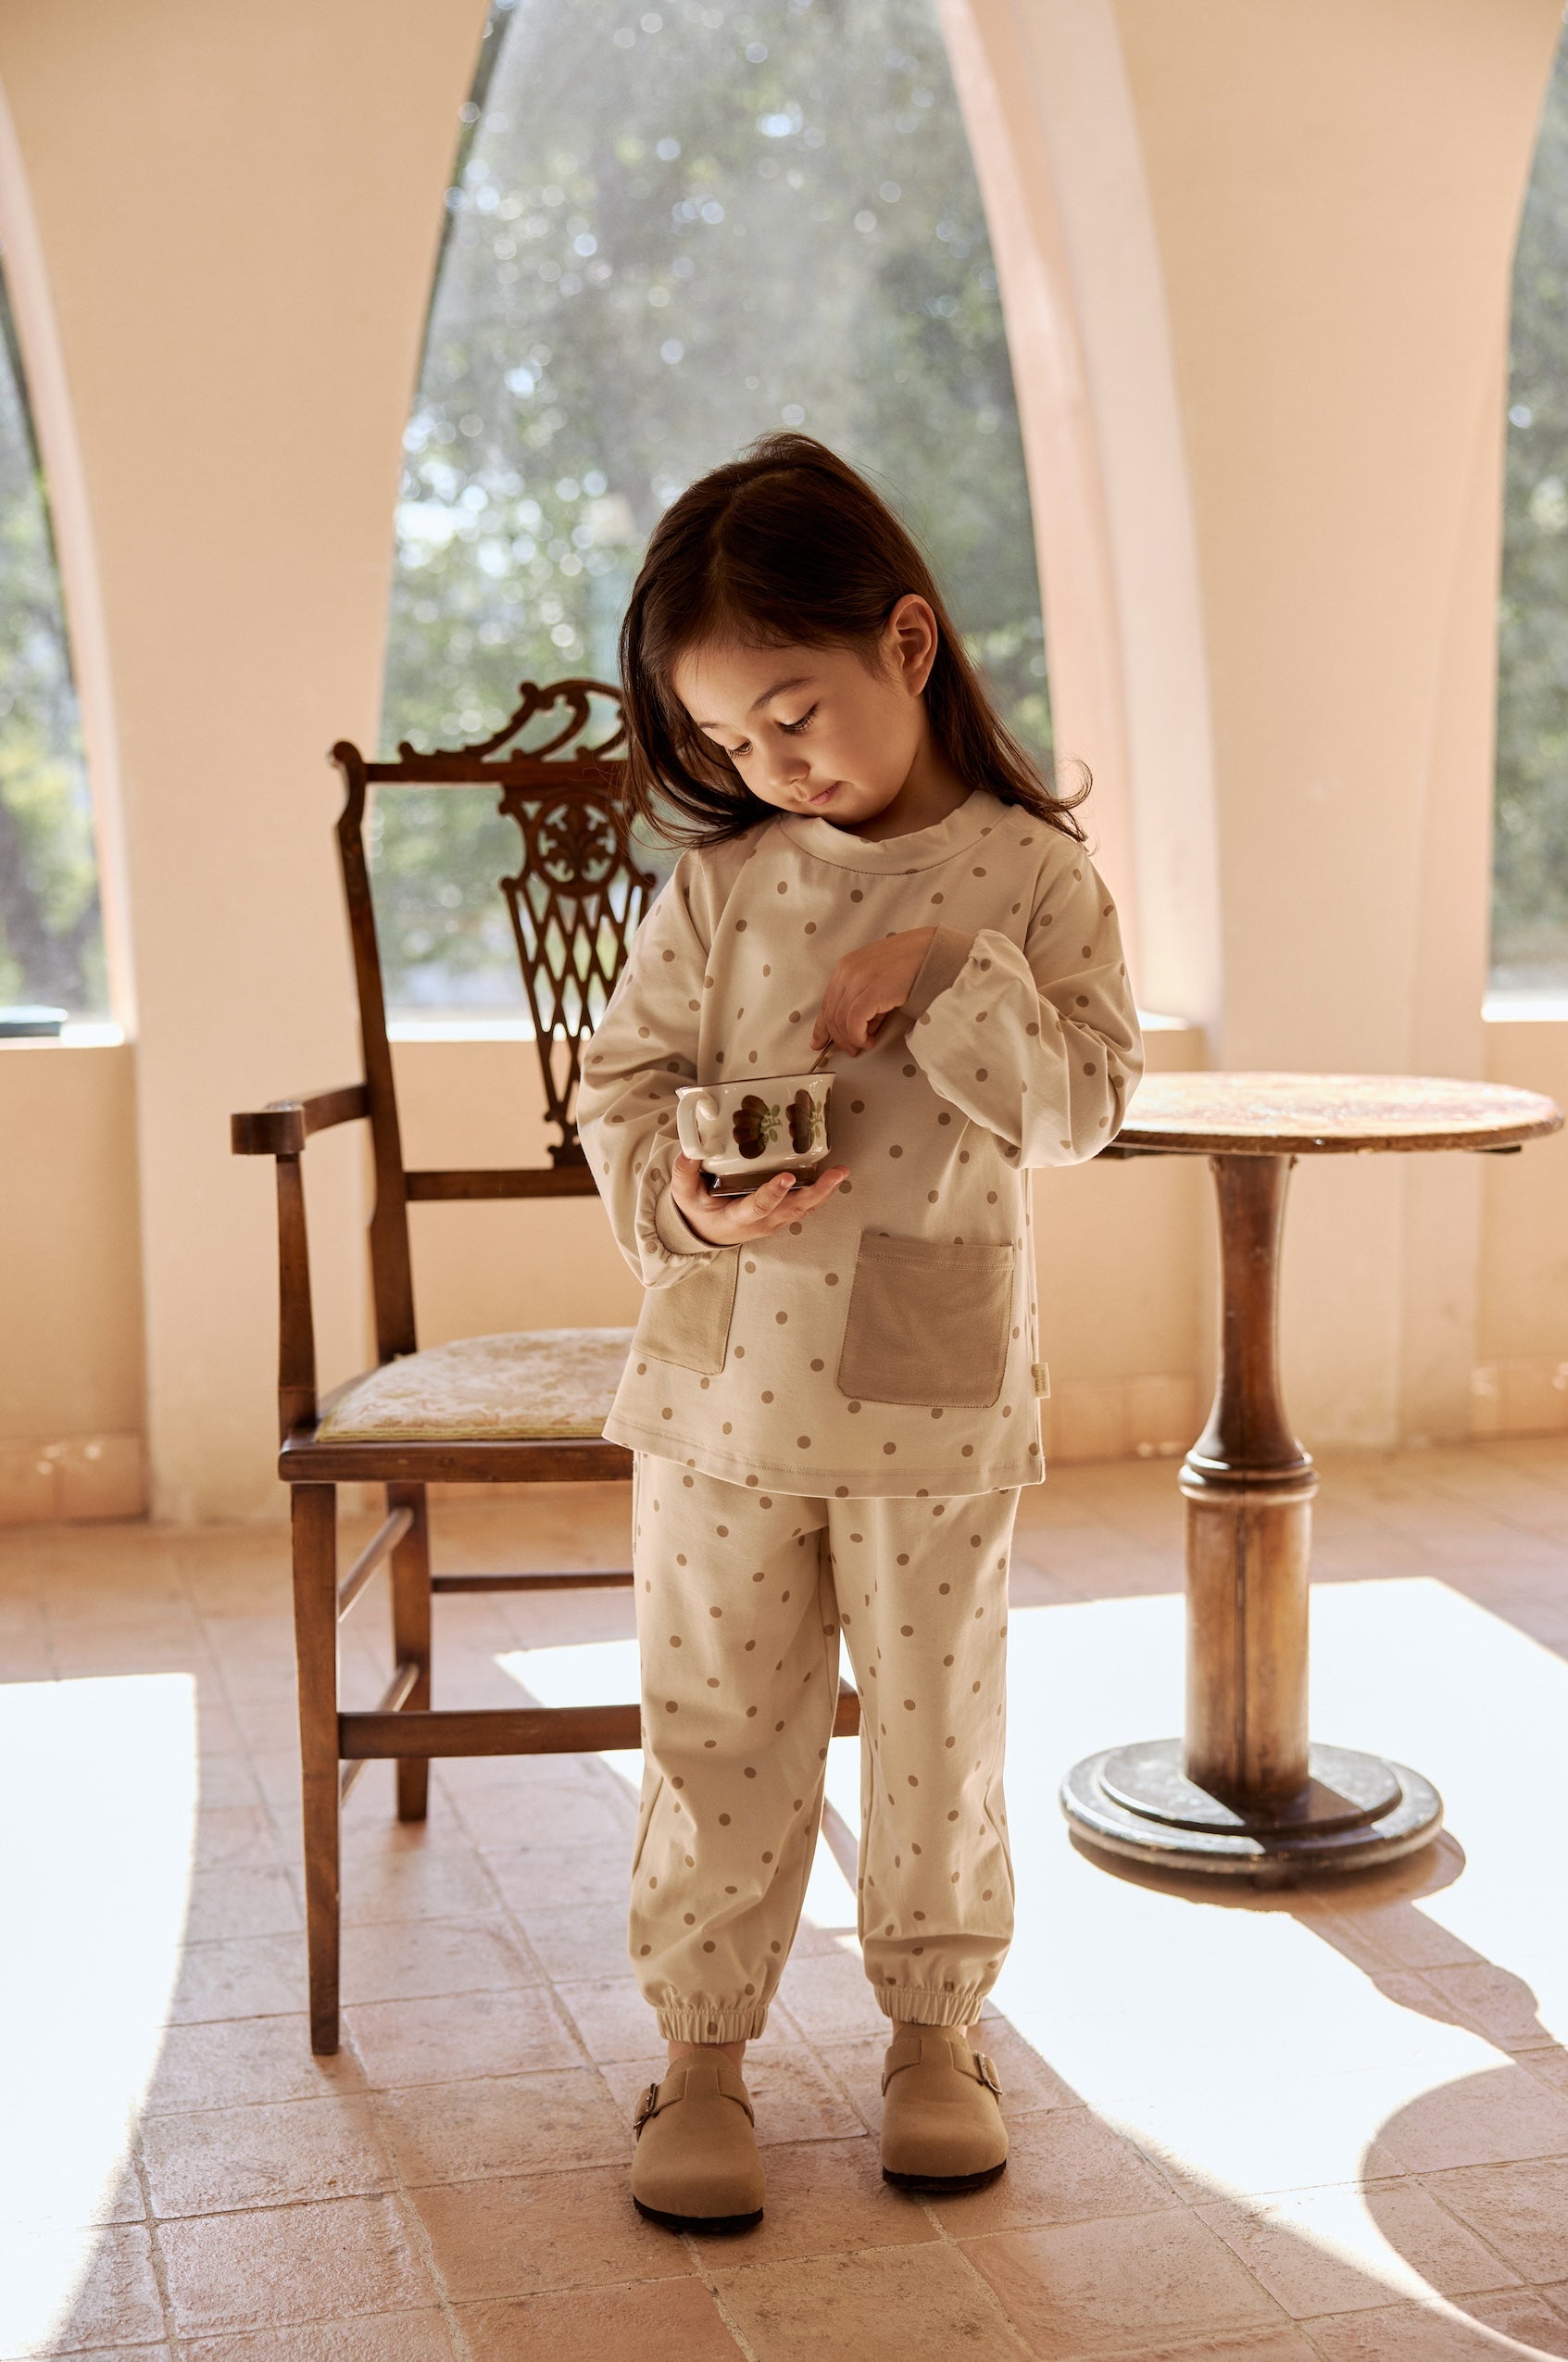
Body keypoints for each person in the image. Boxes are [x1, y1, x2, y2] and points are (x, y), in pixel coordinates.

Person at [577, 433, 1141, 2232]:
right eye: (728, 740)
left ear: (907, 642)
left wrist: (947, 978)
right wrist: (688, 1191)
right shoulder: (723, 887)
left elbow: (1087, 1111)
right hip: (719, 1395)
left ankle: (930, 2039)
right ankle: (702, 2061)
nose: (769, 764)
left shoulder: (1032, 881)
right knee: (718, 1729)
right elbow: (622, 1088)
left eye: (792, 712)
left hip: (930, 1392)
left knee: (930, 1724)